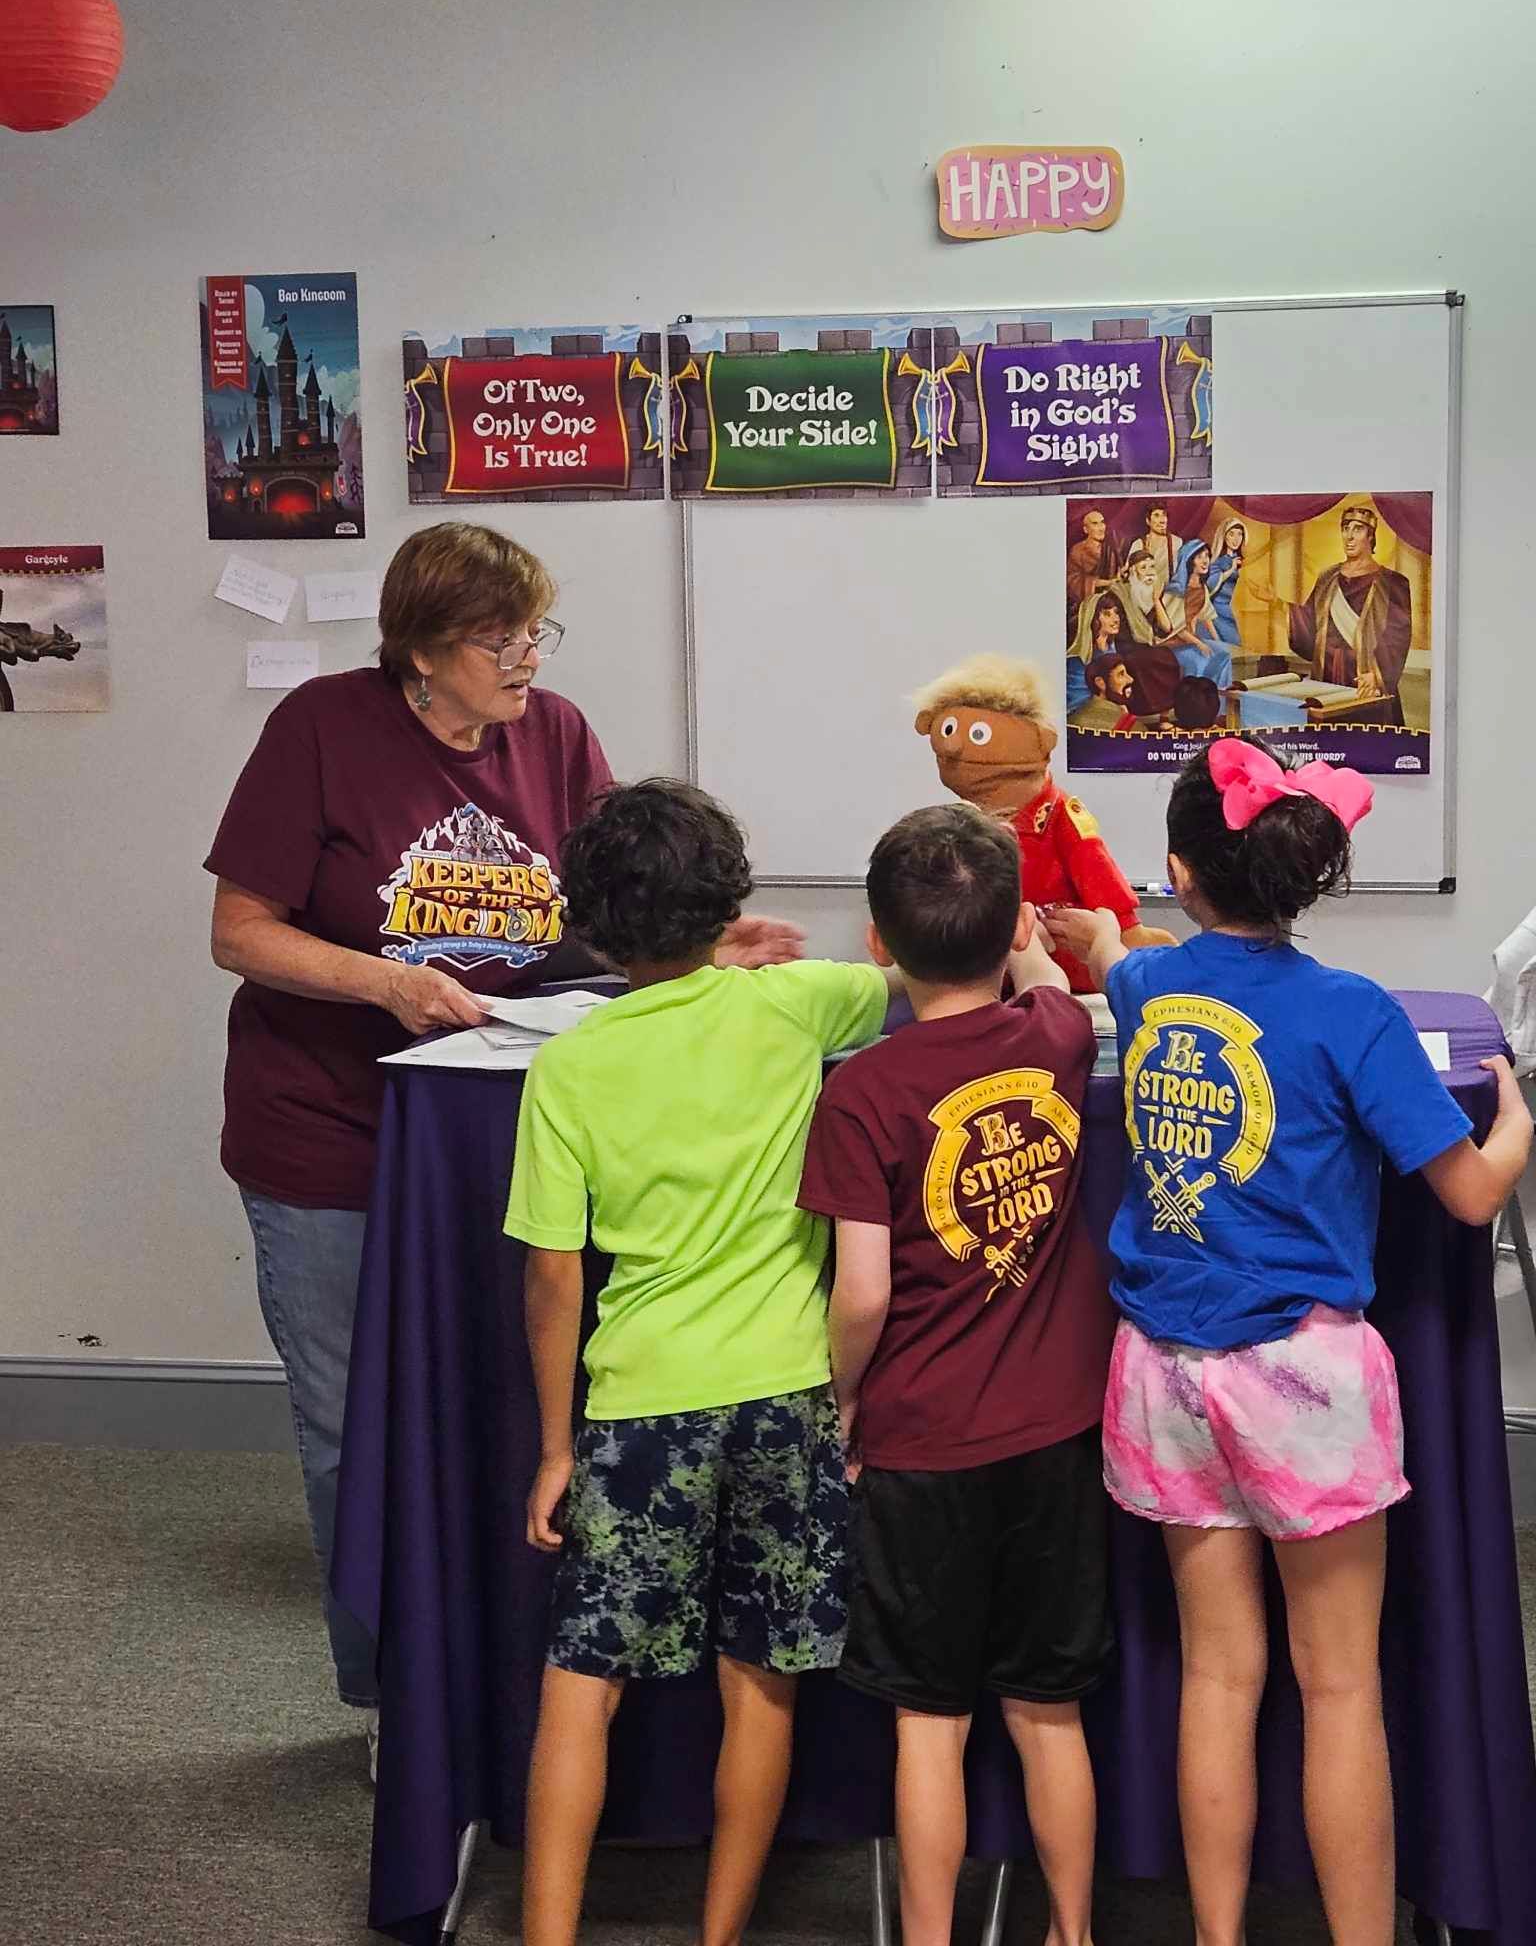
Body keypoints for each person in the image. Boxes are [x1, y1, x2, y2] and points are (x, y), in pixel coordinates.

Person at [204, 523, 796, 1752]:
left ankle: (505, 1665)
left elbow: (602, 917)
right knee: (351, 1421)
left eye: (537, 629)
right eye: (500, 637)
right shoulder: (321, 728)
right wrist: (385, 984)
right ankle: (388, 1698)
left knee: (516, 1403)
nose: (529, 656)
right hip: (332, 1133)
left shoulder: (558, 730)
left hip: (510, 1130)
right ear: (421, 650)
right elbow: (241, 931)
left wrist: (689, 951)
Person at [1045, 739, 1532, 1946]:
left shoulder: (1150, 991)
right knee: (1340, 1682)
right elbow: (1469, 1193)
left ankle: (1218, 1934)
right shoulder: (1351, 1011)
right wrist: (1517, 1121)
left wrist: (1089, 937)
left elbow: (1116, 955)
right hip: (1304, 1377)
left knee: (1219, 1673)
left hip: (1161, 1368)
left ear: (1175, 870)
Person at [509, 779, 897, 1946]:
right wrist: (731, 960)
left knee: (584, 1681)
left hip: (639, 1406)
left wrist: (552, 1448)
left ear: (587, 922)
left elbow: (552, 1280)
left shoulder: (568, 1069)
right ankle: (721, 1931)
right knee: (761, 1678)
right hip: (788, 1396)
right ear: (729, 897)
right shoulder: (797, 1007)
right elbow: (918, 975)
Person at [798, 804, 1115, 1946]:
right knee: (1050, 1713)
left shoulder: (863, 1091)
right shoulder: (1059, 1039)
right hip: (1055, 1436)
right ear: (1012, 925)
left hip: (920, 1444)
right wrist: (1033, 940)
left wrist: (842, 1398)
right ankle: (1073, 1929)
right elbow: (1044, 978)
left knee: (927, 1724)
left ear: (878, 944)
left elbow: (865, 1292)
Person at [1288, 504, 1413, 712]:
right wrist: (1283, 610)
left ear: (1371, 536)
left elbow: (1398, 636)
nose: (1349, 536)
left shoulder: (1393, 582)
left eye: (1358, 529)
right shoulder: (1327, 577)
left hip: (1365, 680)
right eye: (1346, 528)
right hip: (1326, 678)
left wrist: (1378, 674)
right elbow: (1309, 630)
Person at [1159, 539, 1233, 690]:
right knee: (1199, 661)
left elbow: (1207, 618)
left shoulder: (1201, 588)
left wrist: (1218, 641)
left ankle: (1221, 705)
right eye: (1199, 557)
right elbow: (1175, 628)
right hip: (1171, 643)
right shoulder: (1176, 590)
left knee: (1224, 655)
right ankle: (1194, 704)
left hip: (1191, 640)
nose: (1205, 561)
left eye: (1207, 556)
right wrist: (1199, 643)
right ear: (1189, 560)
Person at [1065, 587, 1128, 713]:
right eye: (1107, 614)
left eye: (1116, 613)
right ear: (1093, 618)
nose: (1115, 619)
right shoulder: (1078, 660)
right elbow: (1077, 701)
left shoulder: (1111, 649)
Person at [1065, 507, 1112, 637]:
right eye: (1095, 524)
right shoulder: (1078, 550)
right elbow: (1072, 580)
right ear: (1086, 529)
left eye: (1102, 522)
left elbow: (1117, 574)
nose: (1101, 527)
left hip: (1110, 599)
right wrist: (1103, 583)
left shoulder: (1111, 549)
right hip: (1085, 601)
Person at [1205, 518, 1247, 648]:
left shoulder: (1237, 559)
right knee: (1229, 646)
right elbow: (1211, 584)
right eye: (1232, 534)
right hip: (1217, 611)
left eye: (1240, 534)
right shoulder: (1219, 561)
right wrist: (1231, 569)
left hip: (1229, 608)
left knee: (1234, 647)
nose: (1236, 539)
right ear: (1224, 536)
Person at [1126, 502, 1182, 591]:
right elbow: (1130, 574)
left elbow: (1181, 573)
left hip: (1168, 593)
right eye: (1156, 515)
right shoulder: (1138, 544)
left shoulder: (1177, 542)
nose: (1162, 520)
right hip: (1143, 594)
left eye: (1164, 515)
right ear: (1148, 521)